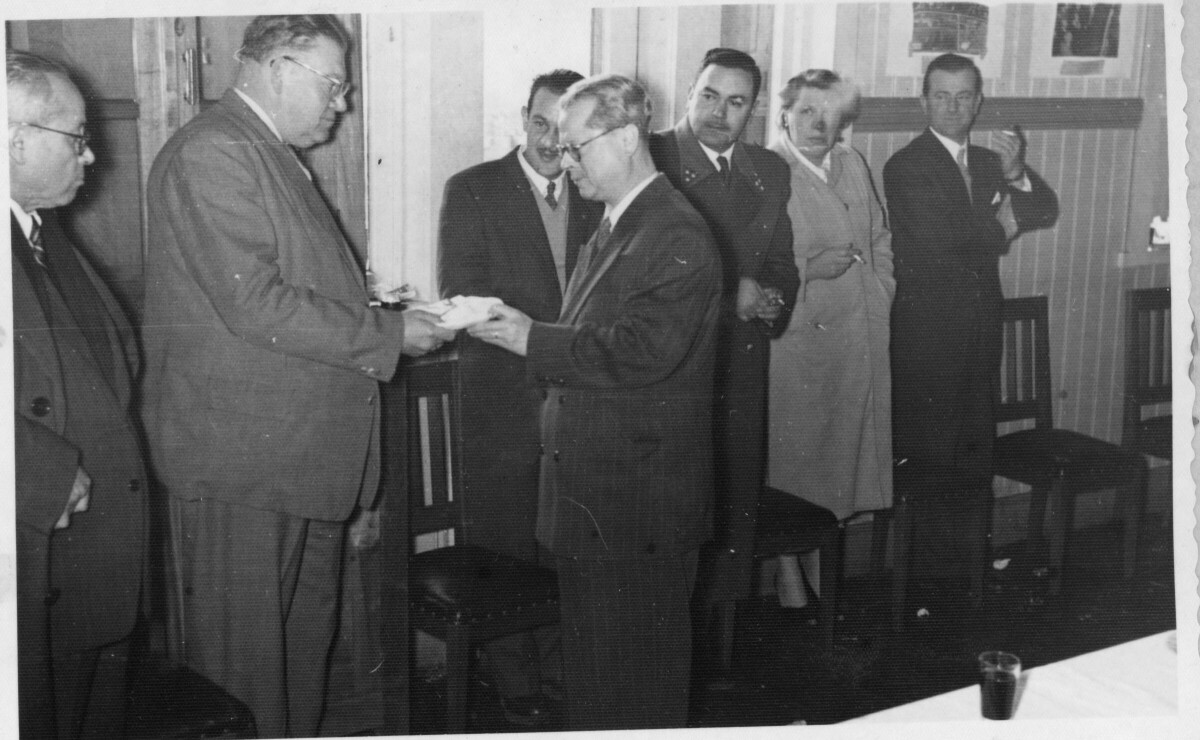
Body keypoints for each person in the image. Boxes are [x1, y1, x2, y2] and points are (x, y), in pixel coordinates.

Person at [140, 15, 453, 738]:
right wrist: (390, 333)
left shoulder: (266, 152)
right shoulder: (214, 151)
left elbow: (289, 289)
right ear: (279, 67)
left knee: (295, 674)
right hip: (243, 469)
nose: (341, 104)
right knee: (245, 683)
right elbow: (254, 303)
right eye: (333, 85)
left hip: (294, 464)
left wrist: (380, 311)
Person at [467, 73, 722, 730]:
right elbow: (590, 335)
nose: (563, 158)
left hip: (638, 507)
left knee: (639, 693)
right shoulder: (617, 224)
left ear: (629, 137)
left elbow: (641, 352)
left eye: (577, 146)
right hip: (597, 498)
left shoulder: (674, 231)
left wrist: (530, 337)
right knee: (598, 685)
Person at [437, 68, 603, 725]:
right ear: (522, 117)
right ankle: (512, 679)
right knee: (504, 543)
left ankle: (561, 671)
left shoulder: (596, 196)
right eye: (539, 123)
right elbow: (464, 295)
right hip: (502, 402)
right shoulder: (474, 190)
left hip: (579, 406)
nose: (550, 142)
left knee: (566, 543)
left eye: (565, 134)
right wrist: (552, 344)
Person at [9, 49, 147, 740]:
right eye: (77, 138)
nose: (89, 158)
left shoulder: (42, 233)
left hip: (91, 560)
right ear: (15, 137)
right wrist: (38, 473)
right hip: (33, 546)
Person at [883, 53, 1056, 589]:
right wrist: (1000, 228)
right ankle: (921, 581)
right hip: (926, 342)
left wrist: (1015, 174)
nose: (954, 106)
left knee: (972, 461)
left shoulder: (986, 162)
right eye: (942, 96)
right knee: (931, 462)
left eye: (964, 96)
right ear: (923, 101)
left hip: (981, 336)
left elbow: (1043, 209)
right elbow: (945, 244)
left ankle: (967, 575)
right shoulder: (906, 165)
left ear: (978, 102)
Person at [648, 47, 798, 648]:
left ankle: (722, 650)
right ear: (690, 92)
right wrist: (730, 287)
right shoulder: (652, 154)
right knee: (679, 509)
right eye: (709, 95)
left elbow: (782, 260)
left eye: (736, 102)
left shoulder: (769, 170)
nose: (719, 112)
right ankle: (669, 643)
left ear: (753, 110)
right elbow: (641, 259)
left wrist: (774, 299)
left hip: (740, 366)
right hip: (671, 367)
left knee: (734, 497)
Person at [767, 70, 895, 598]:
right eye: (806, 112)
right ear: (785, 116)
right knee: (796, 463)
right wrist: (811, 268)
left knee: (844, 459)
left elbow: (880, 236)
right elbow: (754, 262)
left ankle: (824, 559)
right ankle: (788, 569)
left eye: (830, 114)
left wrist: (882, 287)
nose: (819, 124)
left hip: (858, 338)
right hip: (799, 341)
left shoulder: (851, 162)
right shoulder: (770, 170)